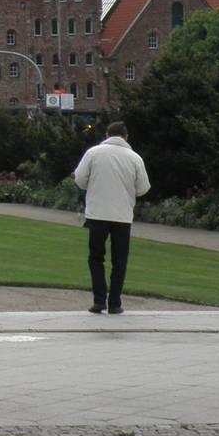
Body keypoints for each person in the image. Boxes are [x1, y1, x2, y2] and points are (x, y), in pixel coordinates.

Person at [74, 121, 151, 315]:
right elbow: (143, 187)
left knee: (96, 257)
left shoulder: (93, 153)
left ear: (107, 135)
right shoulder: (134, 158)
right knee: (120, 260)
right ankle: (115, 302)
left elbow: (80, 179)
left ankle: (99, 300)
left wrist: (94, 187)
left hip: (97, 212)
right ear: (126, 137)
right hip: (122, 215)